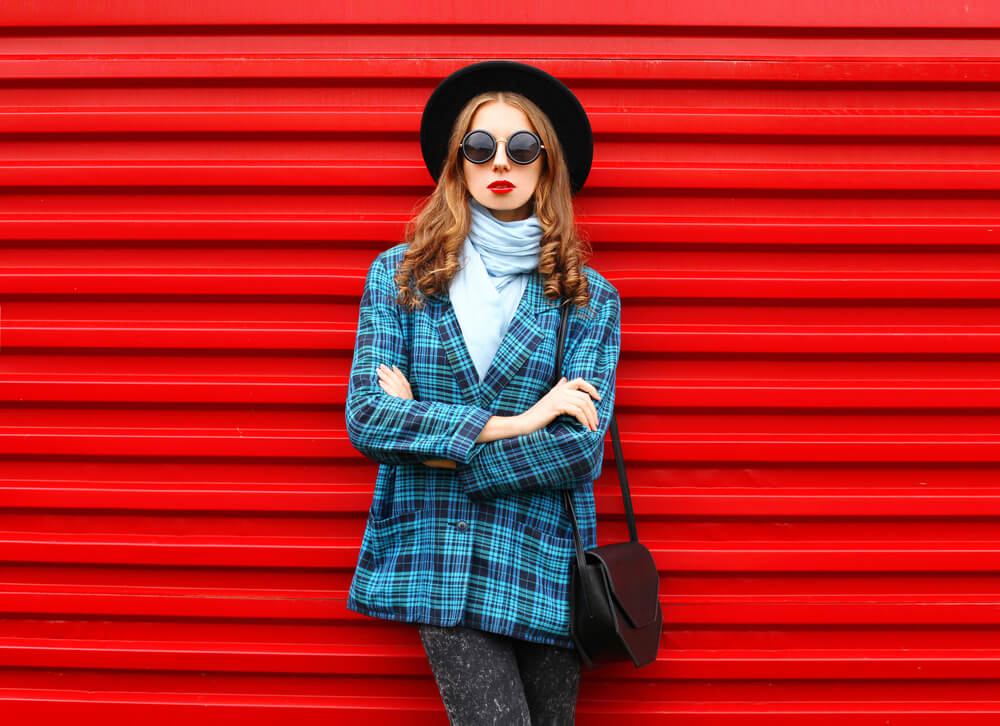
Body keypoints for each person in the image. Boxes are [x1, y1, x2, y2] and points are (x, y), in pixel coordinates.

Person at [344, 60, 621, 724]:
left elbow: (578, 453)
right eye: (480, 145)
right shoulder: (401, 276)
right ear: (458, 164)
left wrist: (434, 449)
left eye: (522, 147)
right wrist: (521, 420)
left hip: (546, 557)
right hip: (438, 554)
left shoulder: (587, 296)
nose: (501, 160)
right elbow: (368, 418)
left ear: (545, 165)